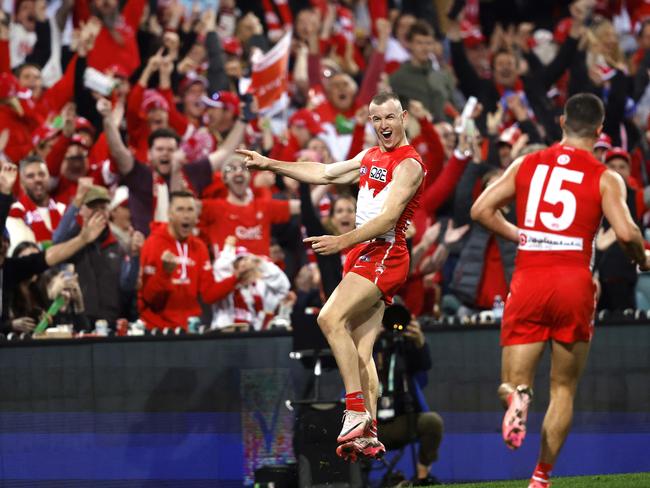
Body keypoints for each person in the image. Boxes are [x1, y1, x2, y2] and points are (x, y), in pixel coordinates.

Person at [470, 93, 650, 488]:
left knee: (514, 384)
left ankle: (517, 399)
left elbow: (480, 210)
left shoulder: (526, 163)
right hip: (574, 280)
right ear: (600, 131)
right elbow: (625, 233)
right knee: (563, 388)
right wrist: (642, 257)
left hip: (530, 277)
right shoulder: (606, 176)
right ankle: (541, 477)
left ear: (562, 122)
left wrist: (519, 233)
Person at [237, 91, 426, 461]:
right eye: (376, 120)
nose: (383, 126)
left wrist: (342, 241)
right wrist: (269, 163)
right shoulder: (370, 157)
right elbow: (322, 172)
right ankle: (368, 432)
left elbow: (388, 220)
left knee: (328, 317)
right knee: (360, 350)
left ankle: (355, 409)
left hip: (383, 252)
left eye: (389, 118)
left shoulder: (410, 164)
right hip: (365, 252)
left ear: (403, 117)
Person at [138, 190, 255, 331]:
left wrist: (236, 277)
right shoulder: (153, 244)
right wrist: (164, 273)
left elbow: (208, 295)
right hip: (158, 330)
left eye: (190, 210)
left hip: (189, 329)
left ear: (196, 215)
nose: (186, 215)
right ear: (169, 213)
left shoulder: (199, 247)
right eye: (180, 209)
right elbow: (148, 298)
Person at [375, 308, 444, 485]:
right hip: (370, 425)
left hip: (402, 420)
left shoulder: (405, 347)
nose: (392, 324)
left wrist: (420, 343)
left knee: (432, 422)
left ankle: (422, 477)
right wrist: (369, 340)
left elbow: (424, 367)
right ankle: (355, 480)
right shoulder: (369, 344)